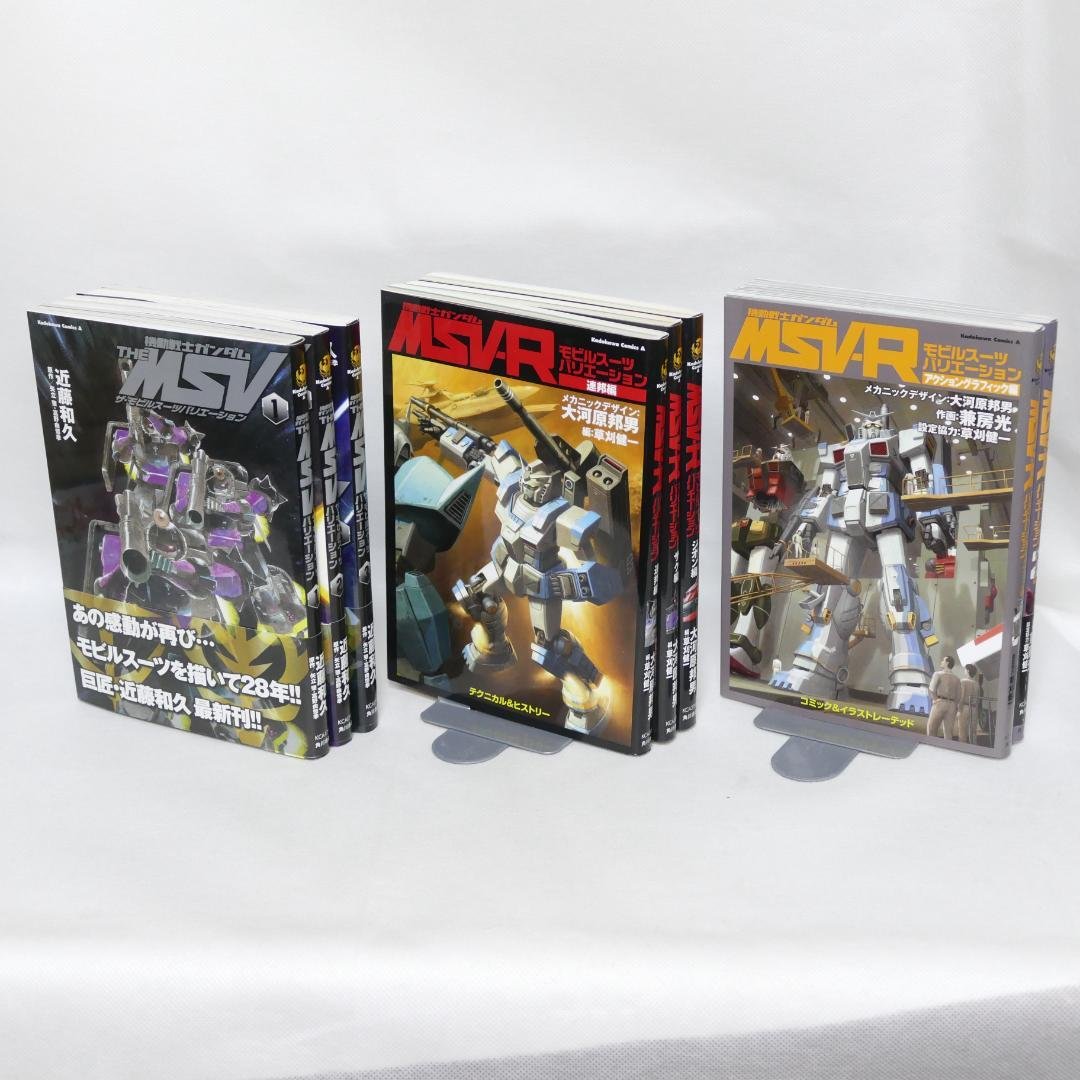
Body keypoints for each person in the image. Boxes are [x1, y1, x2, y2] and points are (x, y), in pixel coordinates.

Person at [927, 655, 962, 739]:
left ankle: (931, 746)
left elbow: (931, 689)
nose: (941, 662)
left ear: (947, 663)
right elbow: (959, 695)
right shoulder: (957, 679)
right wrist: (954, 705)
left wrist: (935, 699)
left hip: (940, 702)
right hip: (952, 705)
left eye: (943, 660)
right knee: (948, 733)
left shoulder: (938, 674)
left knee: (931, 729)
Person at [959, 663, 981, 743]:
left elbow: (961, 696)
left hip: (965, 707)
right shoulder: (977, 684)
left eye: (965, 669)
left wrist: (959, 709)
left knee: (962, 731)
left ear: (968, 671)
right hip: (974, 708)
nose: (964, 671)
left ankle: (962, 747)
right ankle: (974, 746)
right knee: (973, 732)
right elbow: (978, 699)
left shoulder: (963, 681)